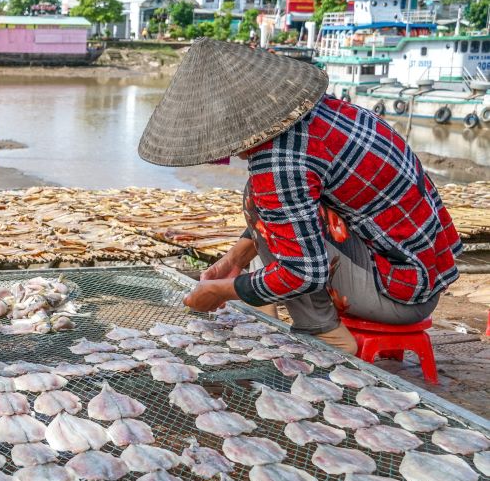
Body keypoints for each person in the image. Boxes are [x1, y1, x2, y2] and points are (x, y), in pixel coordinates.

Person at [138, 38, 461, 353]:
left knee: (262, 198)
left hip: (398, 296)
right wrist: (232, 261)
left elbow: (302, 271)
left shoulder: (280, 161)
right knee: (267, 201)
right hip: (421, 273)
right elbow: (293, 212)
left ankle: (324, 331)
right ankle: (269, 306)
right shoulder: (325, 111)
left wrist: (222, 290)